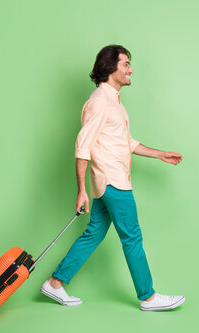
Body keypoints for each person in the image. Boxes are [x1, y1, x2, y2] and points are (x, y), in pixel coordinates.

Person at [40, 45, 185, 311]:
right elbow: (82, 146)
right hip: (113, 182)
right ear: (110, 67)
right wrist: (81, 190)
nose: (131, 69)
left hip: (108, 182)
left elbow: (125, 142)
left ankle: (55, 282)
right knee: (132, 237)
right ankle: (148, 297)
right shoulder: (99, 101)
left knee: (94, 233)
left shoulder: (113, 101)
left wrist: (160, 154)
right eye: (126, 64)